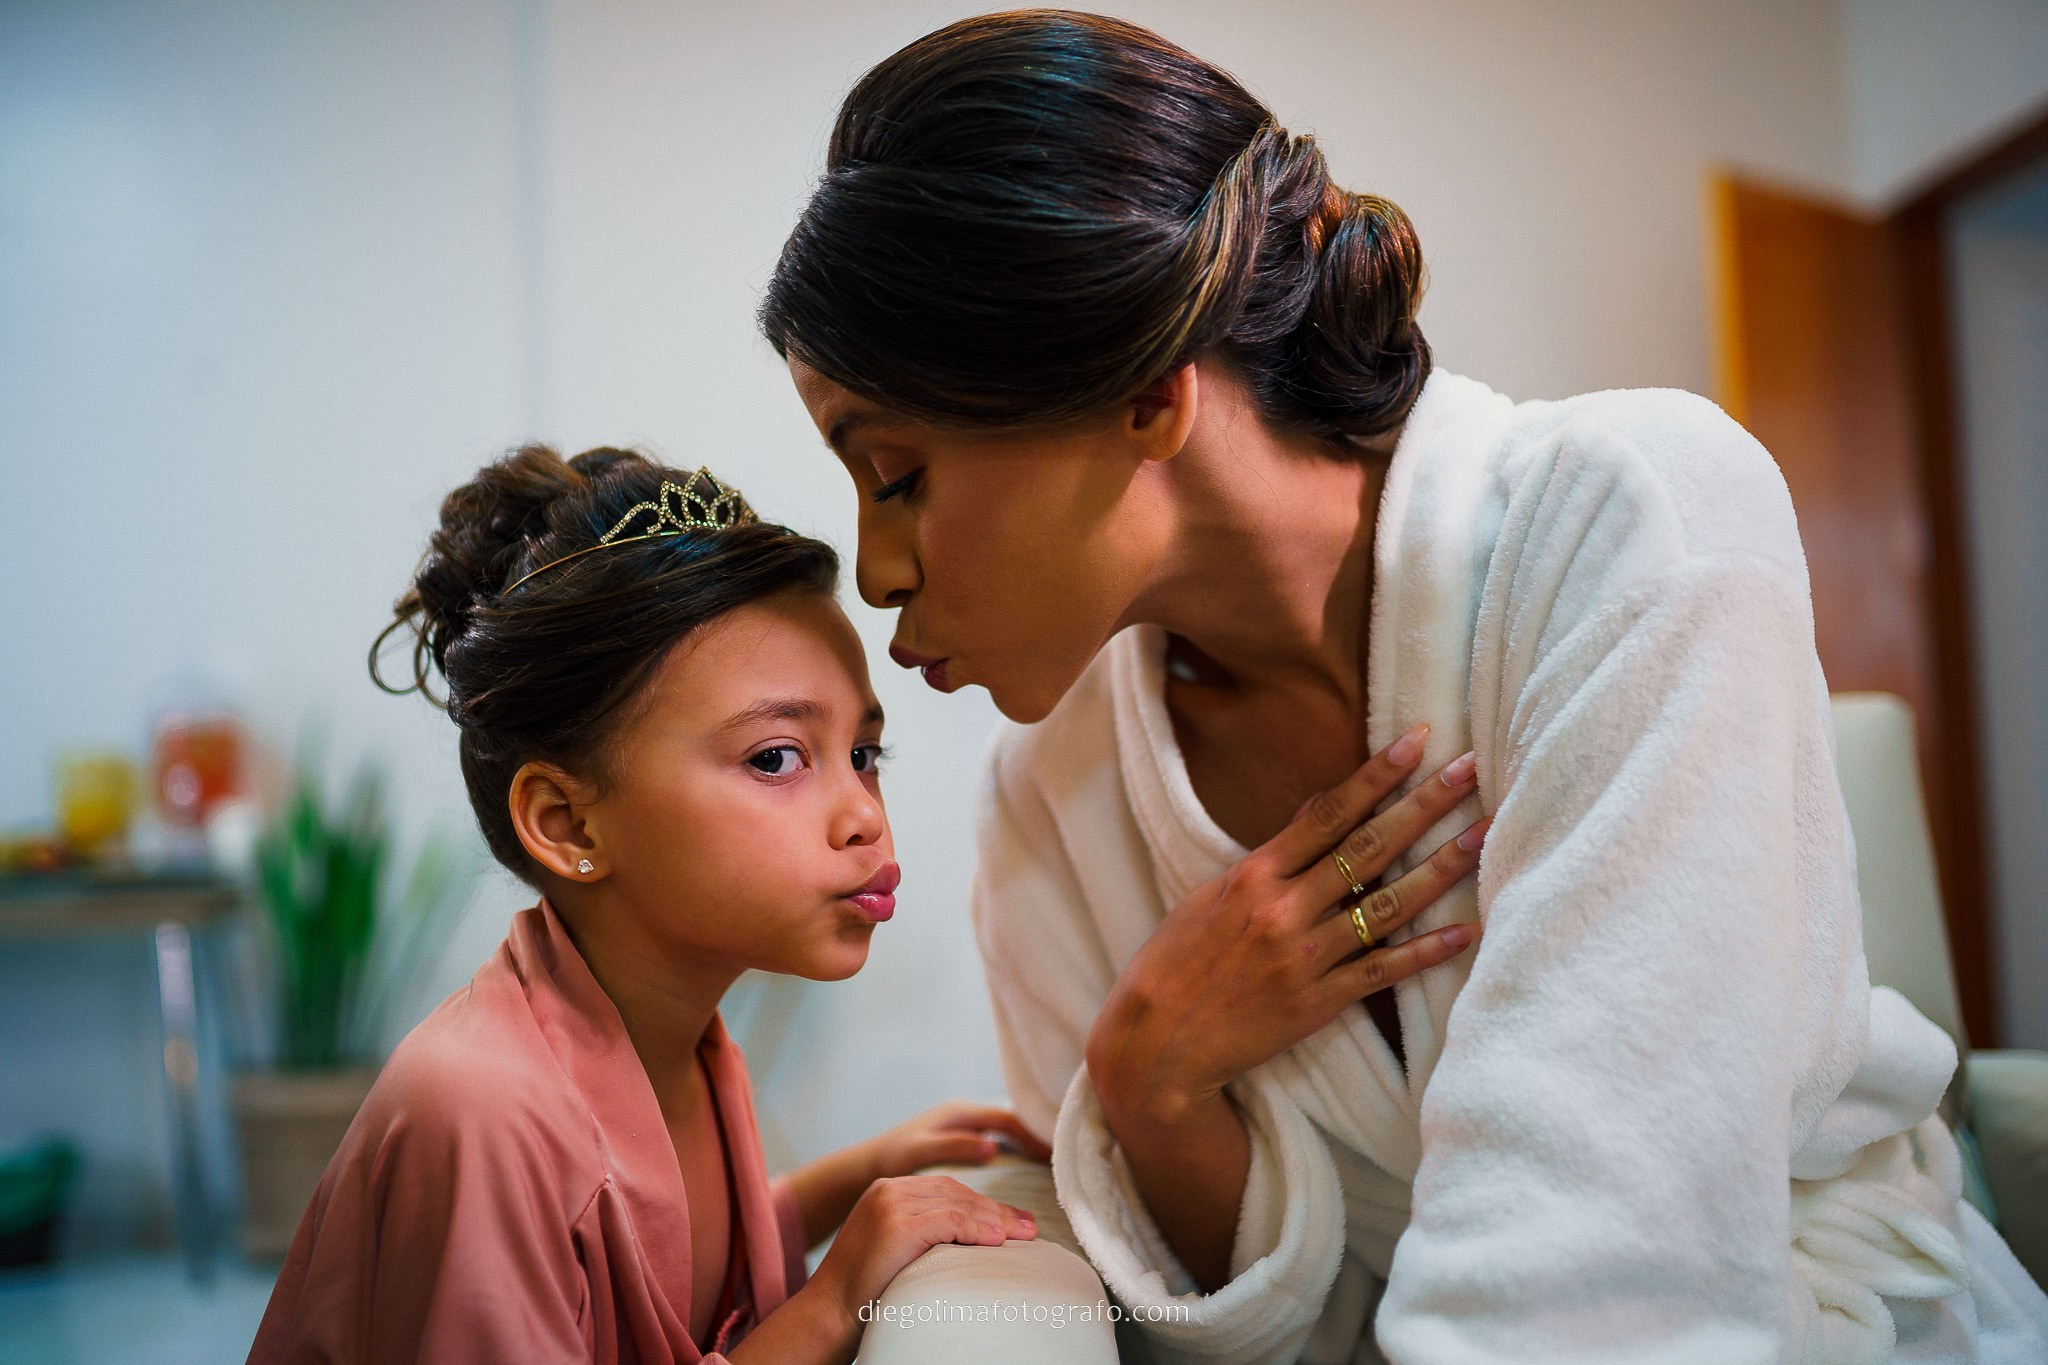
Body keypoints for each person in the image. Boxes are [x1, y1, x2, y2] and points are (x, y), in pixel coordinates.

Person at [759, 11, 2048, 1363]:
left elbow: (1609, 1280)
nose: (878, 571)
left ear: (1142, 394)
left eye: (897, 476)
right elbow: (1215, 1335)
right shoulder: (1051, 803)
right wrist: (1149, 1081)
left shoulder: (1626, 522)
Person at [245, 447, 1046, 1365]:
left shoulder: (684, 1039)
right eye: (777, 756)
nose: (864, 813)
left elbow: (657, 1249)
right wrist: (832, 1300)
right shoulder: (478, 1113)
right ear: (566, 821)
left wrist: (858, 1175)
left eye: (864, 754)